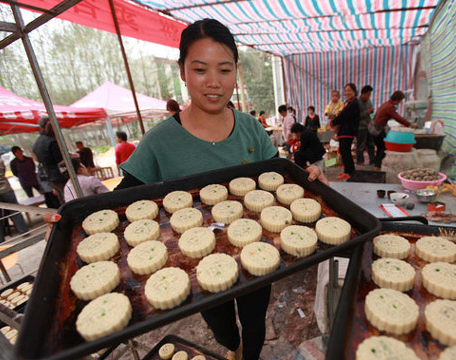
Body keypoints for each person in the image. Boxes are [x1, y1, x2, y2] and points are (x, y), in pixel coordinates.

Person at [116, 19, 327, 360]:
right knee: (221, 325)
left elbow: (282, 178)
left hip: (256, 250)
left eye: (224, 70)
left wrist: (311, 176)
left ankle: (250, 356)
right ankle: (232, 347)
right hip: (197, 261)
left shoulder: (251, 130)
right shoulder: (160, 142)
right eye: (200, 69)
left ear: (236, 73)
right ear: (182, 72)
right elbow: (118, 205)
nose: (213, 82)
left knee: (255, 318)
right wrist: (71, 222)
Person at [370, 91, 419, 169]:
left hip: (374, 127)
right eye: (400, 101)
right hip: (377, 129)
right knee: (383, 147)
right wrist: (410, 124)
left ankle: (377, 164)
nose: (400, 103)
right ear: (397, 100)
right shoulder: (390, 107)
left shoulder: (386, 104)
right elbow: (397, 118)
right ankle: (378, 165)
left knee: (380, 147)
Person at [32, 116, 67, 204]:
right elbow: (60, 160)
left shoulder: (37, 142)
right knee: (68, 197)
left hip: (50, 176)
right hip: (60, 175)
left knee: (62, 199)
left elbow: (36, 158)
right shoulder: (52, 141)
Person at [331, 83, 360, 178]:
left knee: (345, 152)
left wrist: (334, 122)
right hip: (345, 131)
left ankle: (350, 172)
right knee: (344, 152)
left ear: (354, 92)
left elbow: (344, 116)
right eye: (346, 90)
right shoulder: (349, 103)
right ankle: (348, 171)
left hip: (348, 131)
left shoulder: (354, 104)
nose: (347, 93)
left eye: (349, 90)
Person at [356, 85, 376, 165]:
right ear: (363, 94)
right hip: (360, 127)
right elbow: (356, 116)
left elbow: (370, 112)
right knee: (361, 145)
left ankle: (372, 160)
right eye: (368, 94)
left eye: (370, 94)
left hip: (369, 126)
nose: (369, 96)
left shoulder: (368, 101)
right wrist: (367, 112)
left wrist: (371, 112)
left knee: (371, 144)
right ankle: (360, 161)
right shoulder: (357, 103)